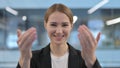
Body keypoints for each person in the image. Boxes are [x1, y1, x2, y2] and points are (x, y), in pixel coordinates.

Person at [16, 3, 101, 68]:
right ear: (45, 25)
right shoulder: (32, 58)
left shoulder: (83, 59)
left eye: (64, 25)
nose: (59, 31)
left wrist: (92, 62)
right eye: (53, 25)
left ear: (71, 26)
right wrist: (24, 59)